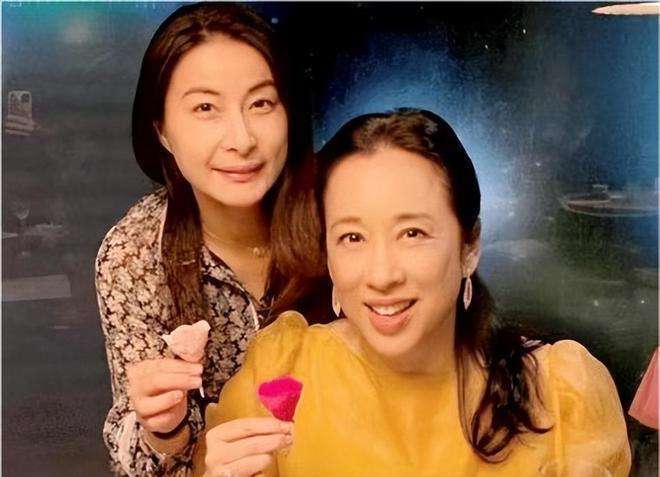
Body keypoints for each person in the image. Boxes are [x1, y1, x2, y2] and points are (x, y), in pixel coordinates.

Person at [194, 109, 631, 476]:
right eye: (352, 238)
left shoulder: (558, 395)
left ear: (469, 247)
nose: (382, 275)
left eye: (412, 233)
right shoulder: (280, 374)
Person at [95, 3, 321, 475]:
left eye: (261, 103)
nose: (242, 138)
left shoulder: (340, 214)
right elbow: (137, 460)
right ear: (162, 130)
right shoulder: (135, 254)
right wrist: (165, 429)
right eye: (205, 108)